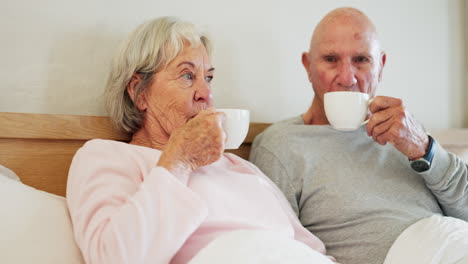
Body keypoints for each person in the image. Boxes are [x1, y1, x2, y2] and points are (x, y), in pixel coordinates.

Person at [66, 17, 337, 264]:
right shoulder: (106, 156)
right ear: (139, 91)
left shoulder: (239, 166)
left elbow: (312, 251)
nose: (205, 94)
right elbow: (113, 259)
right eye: (187, 75)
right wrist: (179, 160)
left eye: (208, 78)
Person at [249, 7, 468, 264]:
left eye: (361, 59)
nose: (347, 77)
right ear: (308, 66)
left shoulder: (407, 133)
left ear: (381, 65)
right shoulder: (281, 144)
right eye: (331, 59)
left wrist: (424, 147)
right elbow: (276, 246)